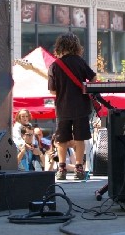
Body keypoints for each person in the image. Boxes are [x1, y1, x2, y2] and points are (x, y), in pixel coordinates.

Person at [48, 32, 97, 180]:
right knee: (80, 138)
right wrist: (83, 88)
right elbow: (94, 78)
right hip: (81, 106)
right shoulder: (80, 62)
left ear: (59, 46)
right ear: (76, 46)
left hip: (63, 107)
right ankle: (79, 169)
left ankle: (61, 168)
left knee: (61, 139)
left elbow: (52, 90)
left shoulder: (55, 65)